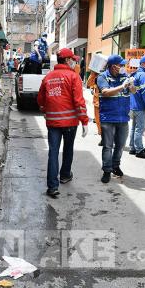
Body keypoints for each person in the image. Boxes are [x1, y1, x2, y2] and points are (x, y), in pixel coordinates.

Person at [37, 48, 88, 197]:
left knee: (53, 152)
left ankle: (52, 186)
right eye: (72, 59)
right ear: (67, 60)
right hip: (70, 123)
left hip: (52, 122)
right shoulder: (73, 77)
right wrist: (84, 121)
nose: (74, 61)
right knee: (68, 148)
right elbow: (79, 101)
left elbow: (40, 99)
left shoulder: (48, 77)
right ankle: (65, 175)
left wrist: (45, 110)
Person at [97, 55, 136, 183]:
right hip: (108, 117)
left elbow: (134, 92)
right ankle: (107, 170)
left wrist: (131, 85)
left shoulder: (125, 77)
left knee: (120, 146)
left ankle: (115, 166)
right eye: (121, 65)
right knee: (108, 146)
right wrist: (122, 86)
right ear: (113, 66)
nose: (123, 67)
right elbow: (105, 92)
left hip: (123, 118)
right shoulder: (103, 77)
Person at [86, 71, 102, 146]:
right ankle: (103, 137)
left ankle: (107, 138)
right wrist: (93, 73)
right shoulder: (95, 75)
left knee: (106, 122)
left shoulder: (110, 75)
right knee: (98, 120)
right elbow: (89, 84)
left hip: (107, 102)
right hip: (97, 102)